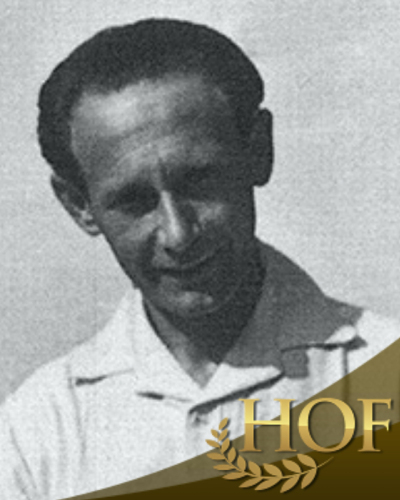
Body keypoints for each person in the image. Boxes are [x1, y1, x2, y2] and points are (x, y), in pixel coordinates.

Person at [1, 18, 399, 499]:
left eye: (200, 180)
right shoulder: (36, 433)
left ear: (259, 150)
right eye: (134, 202)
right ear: (79, 205)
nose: (178, 233)